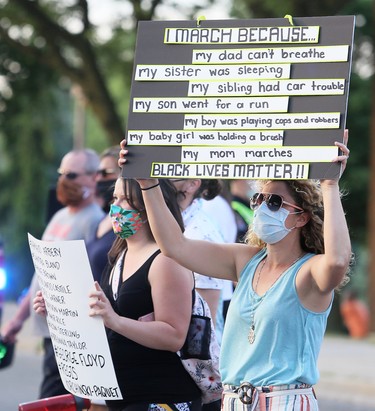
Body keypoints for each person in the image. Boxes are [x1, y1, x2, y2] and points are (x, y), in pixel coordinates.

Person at [118, 131, 352, 410]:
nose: (263, 207)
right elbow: (175, 246)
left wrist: (329, 185)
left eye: (274, 202)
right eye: (259, 199)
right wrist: (148, 183)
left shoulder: (308, 271)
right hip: (235, 399)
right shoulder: (246, 260)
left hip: (284, 399)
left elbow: (337, 261)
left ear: (302, 217)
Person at [34, 178, 202, 411]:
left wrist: (115, 320)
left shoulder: (166, 260)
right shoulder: (121, 255)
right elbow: (106, 325)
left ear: (149, 206)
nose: (116, 207)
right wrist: (59, 312)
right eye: (115, 198)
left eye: (126, 200)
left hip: (161, 397)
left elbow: (174, 335)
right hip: (124, 398)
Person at [1, 148, 104, 400]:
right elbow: (41, 274)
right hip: (49, 331)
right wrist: (17, 321)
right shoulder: (59, 215)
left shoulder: (94, 221)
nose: (63, 181)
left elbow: (92, 278)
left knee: (53, 400)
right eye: (61, 174)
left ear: (94, 178)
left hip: (69, 334)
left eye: (71, 175)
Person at [170, 178, 225, 327]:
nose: (157, 180)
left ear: (192, 184)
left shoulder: (201, 235)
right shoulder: (174, 223)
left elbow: (204, 321)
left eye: (168, 175)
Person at [87, 146, 120, 282]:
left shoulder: (127, 221)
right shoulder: (104, 217)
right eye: (97, 173)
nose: (99, 179)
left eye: (106, 173)